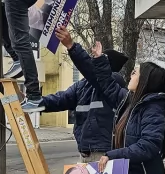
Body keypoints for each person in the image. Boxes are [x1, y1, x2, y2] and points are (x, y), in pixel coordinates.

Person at [55, 27, 165, 174]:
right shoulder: (129, 101)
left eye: (134, 73)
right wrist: (96, 59)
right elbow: (105, 83)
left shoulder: (153, 108)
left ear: (145, 80)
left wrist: (113, 155)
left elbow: (148, 146)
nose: (130, 76)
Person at [43, 26, 128, 163]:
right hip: (84, 153)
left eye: (98, 60)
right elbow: (60, 99)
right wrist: (35, 102)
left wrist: (71, 46)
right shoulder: (82, 85)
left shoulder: (115, 81)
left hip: (104, 153)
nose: (94, 61)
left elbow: (93, 73)